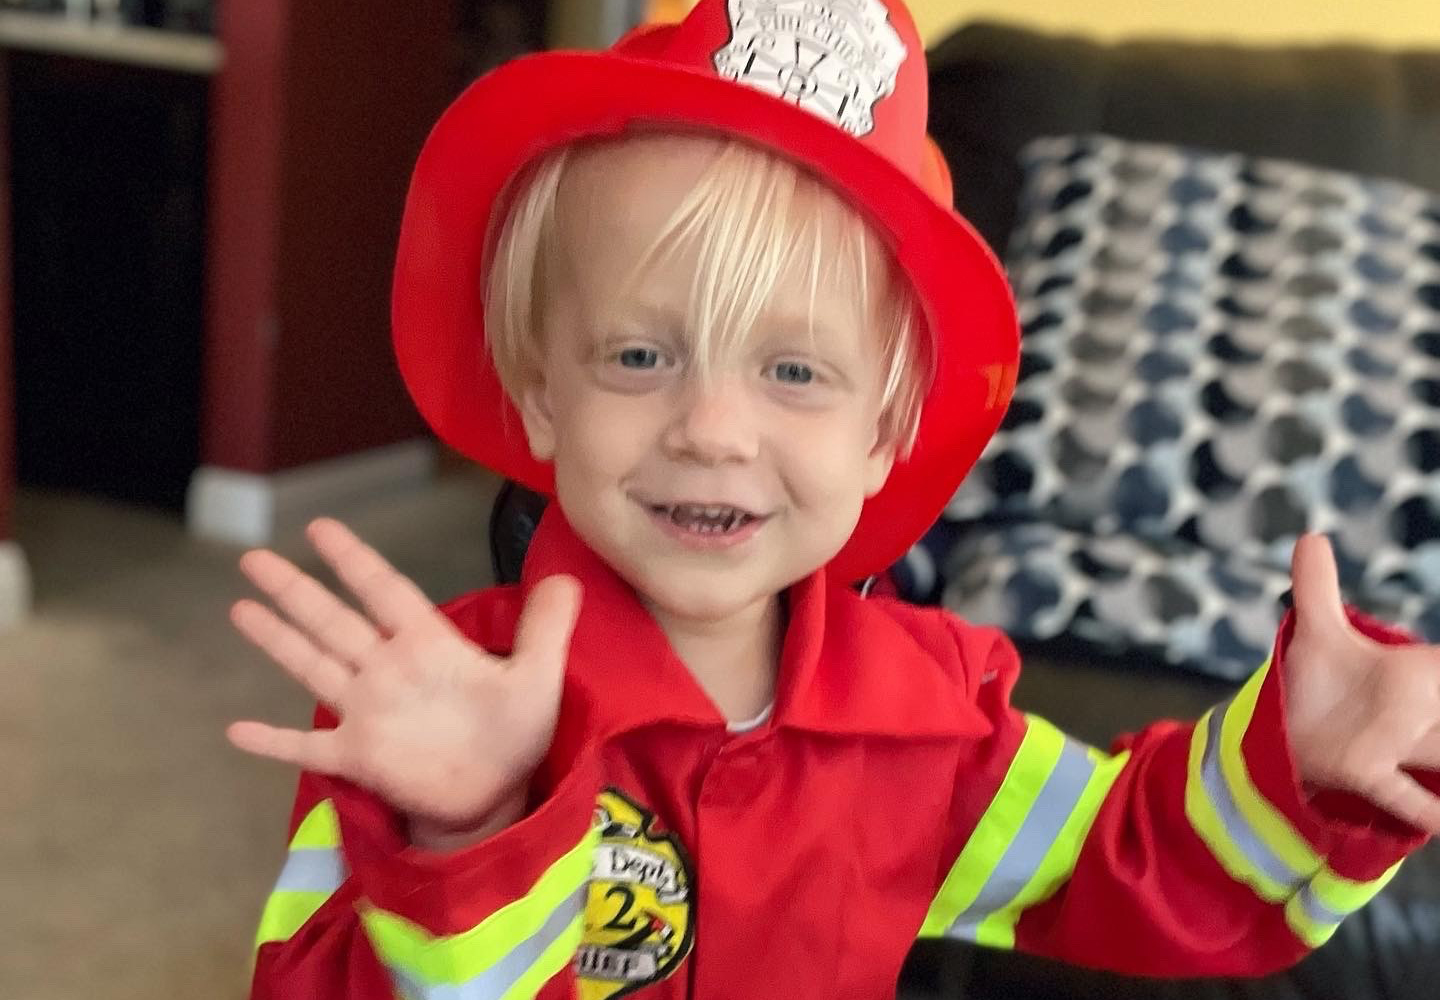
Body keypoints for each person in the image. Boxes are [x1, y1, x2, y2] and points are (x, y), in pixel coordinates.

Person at [227, 2, 1440, 997]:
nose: (711, 430)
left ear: (883, 435)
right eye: (639, 357)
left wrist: (1305, 762)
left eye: (794, 372)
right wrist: (467, 836)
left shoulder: (929, 725)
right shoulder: (427, 721)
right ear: (542, 399)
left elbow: (1130, 856)